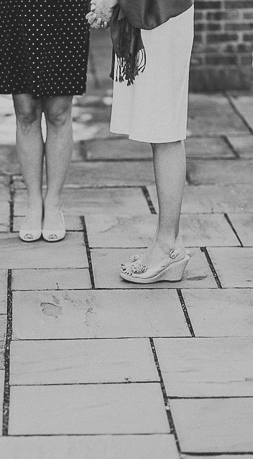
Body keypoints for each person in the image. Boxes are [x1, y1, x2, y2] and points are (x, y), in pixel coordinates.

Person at [87, 0, 194, 283]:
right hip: (154, 16)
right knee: (161, 130)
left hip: (162, 17)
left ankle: (168, 246)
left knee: (165, 131)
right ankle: (170, 241)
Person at [0, 0, 90, 243]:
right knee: (25, 111)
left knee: (58, 112)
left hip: (65, 8)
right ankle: (34, 202)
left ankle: (54, 202)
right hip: (16, 7)